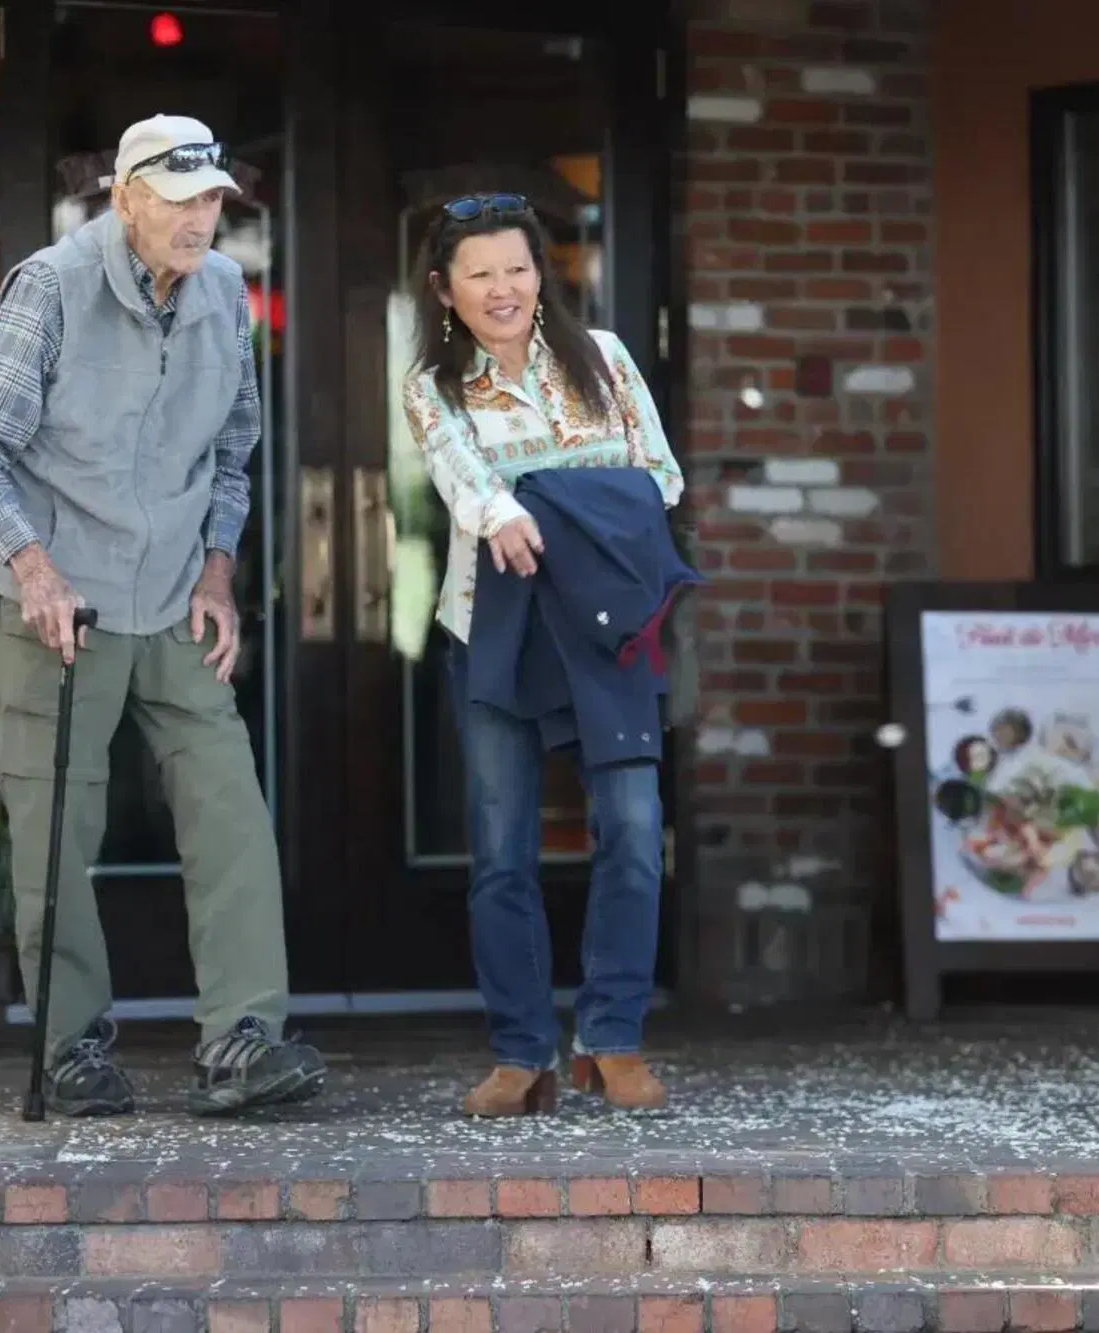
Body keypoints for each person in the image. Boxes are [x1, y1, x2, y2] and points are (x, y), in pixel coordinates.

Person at [0, 114, 324, 1118]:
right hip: (57, 600)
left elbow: (231, 453)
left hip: (173, 596)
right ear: (124, 199)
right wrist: (32, 567)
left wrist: (217, 571)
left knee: (228, 807)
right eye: (179, 200)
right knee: (57, 831)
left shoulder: (225, 291)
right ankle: (69, 1047)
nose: (200, 220)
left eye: (212, 202)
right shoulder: (51, 286)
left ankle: (242, 1037)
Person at [401, 194, 687, 1117]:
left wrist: (544, 502)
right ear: (444, 288)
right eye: (480, 273)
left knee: (635, 827)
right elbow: (470, 488)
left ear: (541, 274)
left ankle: (613, 1038)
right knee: (501, 849)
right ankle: (522, 1052)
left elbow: (662, 476)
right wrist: (520, 505)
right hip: (494, 627)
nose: (503, 288)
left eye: (517, 268)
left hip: (607, 630)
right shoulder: (433, 385)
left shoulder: (603, 357)